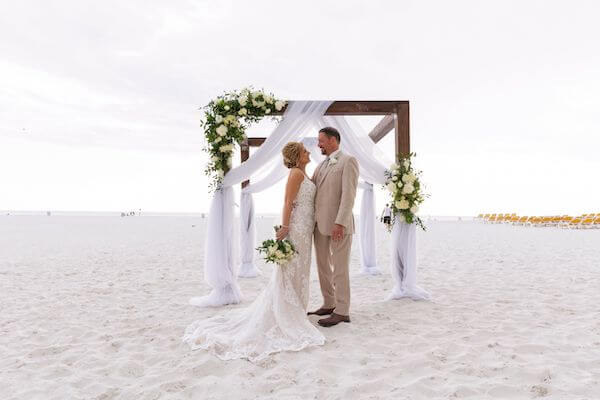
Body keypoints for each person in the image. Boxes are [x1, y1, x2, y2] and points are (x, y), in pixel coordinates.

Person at [183, 142, 324, 362]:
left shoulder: (305, 174)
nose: (308, 153)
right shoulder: (296, 173)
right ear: (298, 156)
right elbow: (288, 202)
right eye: (305, 151)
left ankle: (296, 309)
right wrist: (285, 228)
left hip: (306, 229)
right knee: (291, 271)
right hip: (296, 229)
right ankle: (288, 311)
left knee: (301, 270)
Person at [308, 126, 359, 327]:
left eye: (321, 140)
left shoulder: (348, 161)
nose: (318, 144)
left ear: (332, 140)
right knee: (323, 268)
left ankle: (343, 310)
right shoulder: (320, 165)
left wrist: (340, 222)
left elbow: (349, 195)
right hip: (319, 225)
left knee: (339, 268)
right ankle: (329, 303)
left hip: (339, 225)